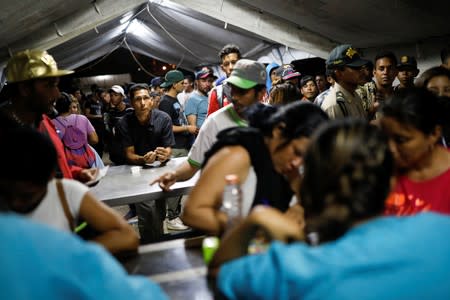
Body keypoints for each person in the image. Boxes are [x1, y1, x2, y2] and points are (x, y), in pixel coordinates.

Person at [210, 119, 450, 299]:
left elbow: (220, 272)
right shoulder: (441, 230)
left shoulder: (294, 269)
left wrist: (258, 219)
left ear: (310, 187)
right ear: (391, 182)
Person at [182, 102, 328, 236]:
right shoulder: (237, 155)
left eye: (305, 158)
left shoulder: (287, 161)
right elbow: (193, 213)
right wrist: (256, 229)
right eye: (297, 152)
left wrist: (298, 208)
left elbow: (300, 197)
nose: (298, 163)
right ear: (278, 131)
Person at [0, 127, 139, 254]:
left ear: (50, 177)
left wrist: (68, 252)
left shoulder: (65, 191)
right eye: (7, 192)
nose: (15, 203)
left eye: (27, 195)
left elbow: (127, 236)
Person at [151, 59, 266, 196]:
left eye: (242, 92)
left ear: (261, 93)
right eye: (233, 89)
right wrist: (174, 175)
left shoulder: (274, 120)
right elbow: (193, 164)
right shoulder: (215, 122)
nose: (235, 97)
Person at [1, 49, 96, 182]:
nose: (57, 94)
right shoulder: (5, 134)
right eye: (49, 86)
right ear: (25, 89)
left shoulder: (44, 121)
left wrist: (78, 173)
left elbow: (56, 168)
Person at [116, 84, 180, 241]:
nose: (142, 103)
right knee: (146, 211)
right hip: (136, 172)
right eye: (138, 99)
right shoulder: (124, 123)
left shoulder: (163, 118)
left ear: (151, 101)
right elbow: (129, 154)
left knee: (159, 211)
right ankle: (150, 245)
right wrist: (143, 159)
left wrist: (165, 154)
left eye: (146, 98)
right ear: (131, 102)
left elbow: (168, 148)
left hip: (160, 169)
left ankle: (159, 241)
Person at [381, 88, 450, 215]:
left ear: (434, 134)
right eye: (385, 138)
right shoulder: (380, 172)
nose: (390, 148)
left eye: (401, 140)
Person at [53, 92, 100, 169]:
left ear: (55, 107)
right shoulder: (82, 118)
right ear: (69, 106)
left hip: (66, 166)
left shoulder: (51, 123)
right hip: (86, 161)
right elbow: (94, 140)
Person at [321, 44, 368, 119]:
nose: (362, 71)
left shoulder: (354, 95)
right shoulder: (333, 105)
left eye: (361, 67)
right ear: (339, 73)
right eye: (356, 68)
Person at [207, 44, 241, 116]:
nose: (231, 67)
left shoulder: (254, 87)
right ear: (222, 68)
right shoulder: (217, 93)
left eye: (234, 62)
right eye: (226, 64)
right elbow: (212, 123)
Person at [185, 66, 215, 130]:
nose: (207, 84)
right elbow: (193, 129)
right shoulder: (192, 99)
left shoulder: (209, 97)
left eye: (209, 81)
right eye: (203, 80)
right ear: (196, 82)